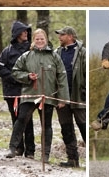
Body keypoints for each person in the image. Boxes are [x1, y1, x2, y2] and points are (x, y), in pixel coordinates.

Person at [5, 29, 69, 162]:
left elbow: (62, 77)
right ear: (33, 41)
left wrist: (63, 98)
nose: (40, 41)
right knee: (21, 119)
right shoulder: (26, 56)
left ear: (46, 40)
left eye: (42, 39)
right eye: (37, 39)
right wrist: (27, 76)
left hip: (48, 96)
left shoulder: (54, 56)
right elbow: (15, 72)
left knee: (46, 125)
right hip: (29, 94)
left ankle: (45, 155)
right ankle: (12, 147)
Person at [0, 21, 35, 159]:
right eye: (23, 31)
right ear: (17, 34)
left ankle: (30, 150)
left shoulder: (31, 50)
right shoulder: (7, 51)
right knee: (16, 119)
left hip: (28, 90)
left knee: (27, 119)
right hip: (11, 91)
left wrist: (26, 78)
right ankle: (19, 148)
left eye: (26, 31)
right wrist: (14, 78)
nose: (26, 33)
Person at [53, 26, 85, 168]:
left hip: (78, 96)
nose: (59, 37)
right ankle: (72, 159)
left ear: (71, 36)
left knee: (83, 127)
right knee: (66, 128)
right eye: (59, 35)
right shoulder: (56, 53)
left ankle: (90, 159)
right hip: (62, 98)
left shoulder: (82, 53)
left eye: (62, 34)